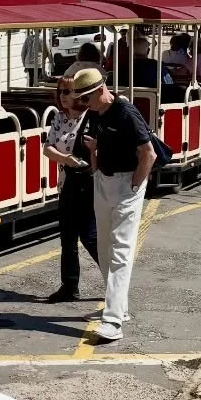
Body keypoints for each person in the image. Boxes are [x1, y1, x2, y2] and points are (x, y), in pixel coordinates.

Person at [70, 65, 158, 344]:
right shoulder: (97, 113)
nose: (82, 105)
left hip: (124, 184)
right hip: (104, 181)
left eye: (85, 99)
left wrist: (134, 185)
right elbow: (96, 144)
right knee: (106, 249)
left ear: (99, 91)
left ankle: (113, 320)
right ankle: (120, 308)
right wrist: (96, 166)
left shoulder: (125, 112)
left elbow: (149, 153)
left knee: (120, 251)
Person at [43, 76, 98, 303]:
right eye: (61, 91)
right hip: (67, 182)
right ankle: (69, 286)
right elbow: (47, 148)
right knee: (67, 237)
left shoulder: (91, 117)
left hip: (88, 184)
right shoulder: (59, 118)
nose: (63, 96)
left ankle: (116, 280)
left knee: (90, 237)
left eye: (68, 91)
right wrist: (68, 159)